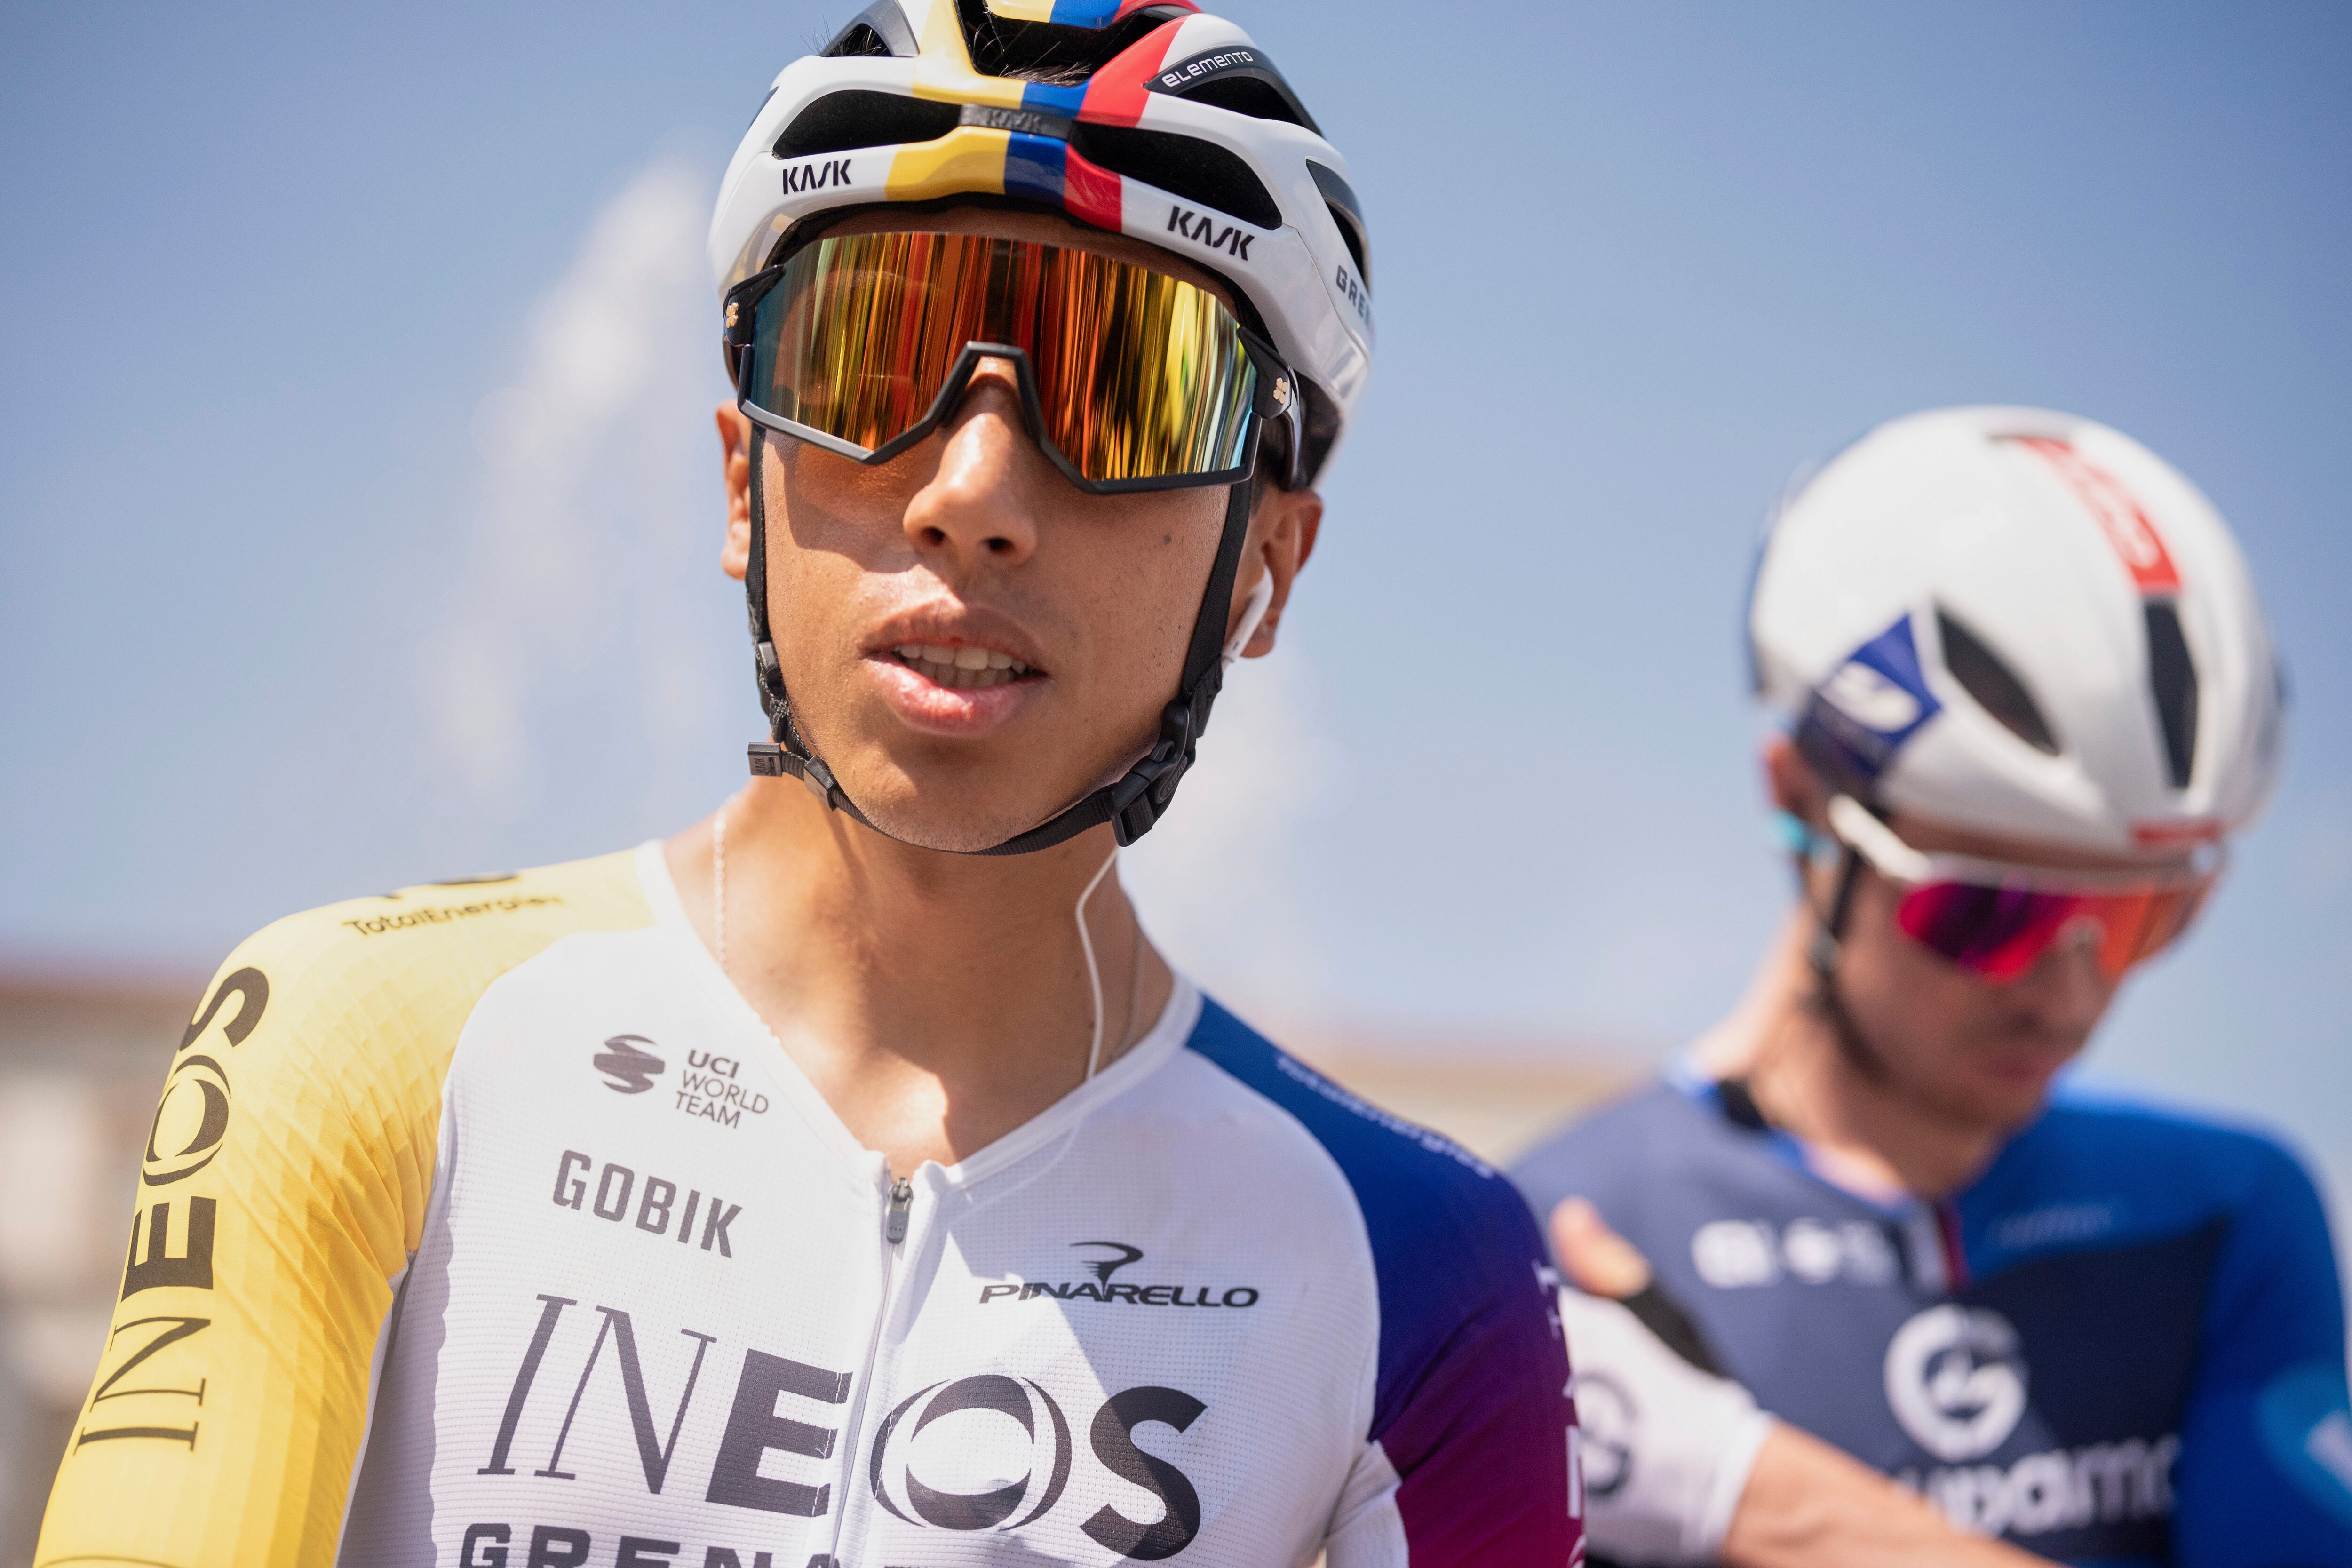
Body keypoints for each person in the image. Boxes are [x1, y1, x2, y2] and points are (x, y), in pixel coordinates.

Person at [36, 5, 1577, 1564]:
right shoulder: (356, 1039)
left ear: (1266, 565)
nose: (972, 497)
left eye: (1126, 384)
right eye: (873, 351)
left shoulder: (1423, 1262)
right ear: (737, 482)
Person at [1513, 406, 2352, 1566]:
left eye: (2142, 912)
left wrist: (1743, 1490)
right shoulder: (1548, 1236)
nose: (2070, 994)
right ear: (1803, 804)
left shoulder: (2224, 1214)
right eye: (1993, 908)